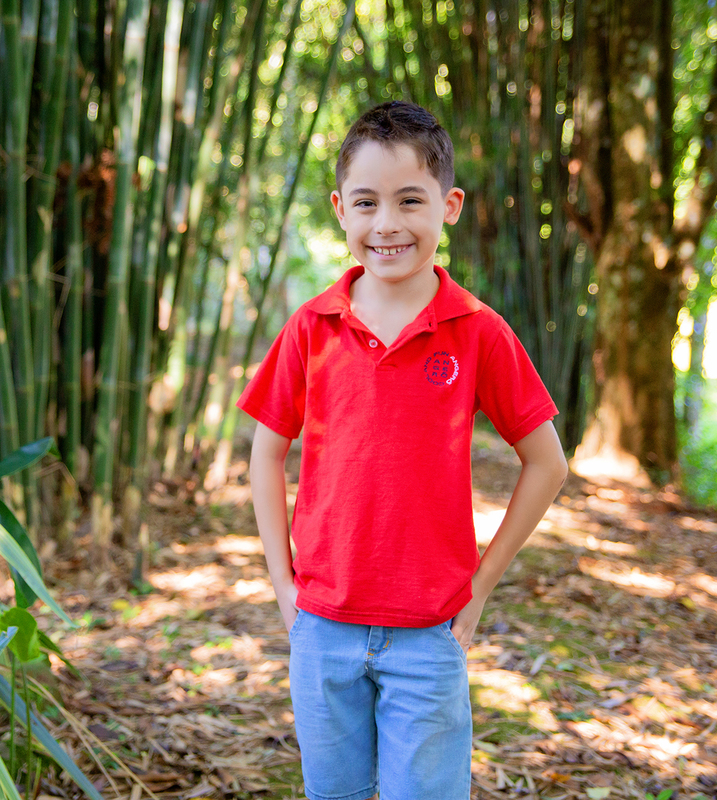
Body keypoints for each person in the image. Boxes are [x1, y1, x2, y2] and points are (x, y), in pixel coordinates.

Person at [237, 101, 569, 800]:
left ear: (448, 206)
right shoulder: (312, 327)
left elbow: (548, 461)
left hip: (429, 630)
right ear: (340, 209)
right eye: (366, 203)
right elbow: (265, 453)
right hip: (322, 624)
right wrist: (282, 585)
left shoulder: (478, 331)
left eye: (408, 201)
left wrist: (480, 586)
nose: (386, 224)